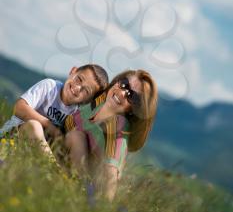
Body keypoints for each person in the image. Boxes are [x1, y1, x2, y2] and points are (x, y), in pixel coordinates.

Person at [64, 69, 158, 201]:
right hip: (62, 162)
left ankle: (78, 188)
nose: (122, 93)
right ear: (117, 82)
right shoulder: (97, 102)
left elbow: (111, 172)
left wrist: (103, 209)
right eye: (124, 84)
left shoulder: (118, 126)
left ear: (134, 109)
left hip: (86, 188)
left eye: (133, 97)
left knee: (76, 137)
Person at [0, 64, 109, 158]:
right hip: (10, 138)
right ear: (73, 71)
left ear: (88, 100)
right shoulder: (50, 87)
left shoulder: (76, 113)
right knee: (35, 126)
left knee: (76, 140)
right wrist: (49, 126)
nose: (77, 88)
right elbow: (19, 107)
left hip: (32, 151)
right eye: (79, 79)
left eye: (86, 90)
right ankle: (54, 169)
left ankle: (77, 177)